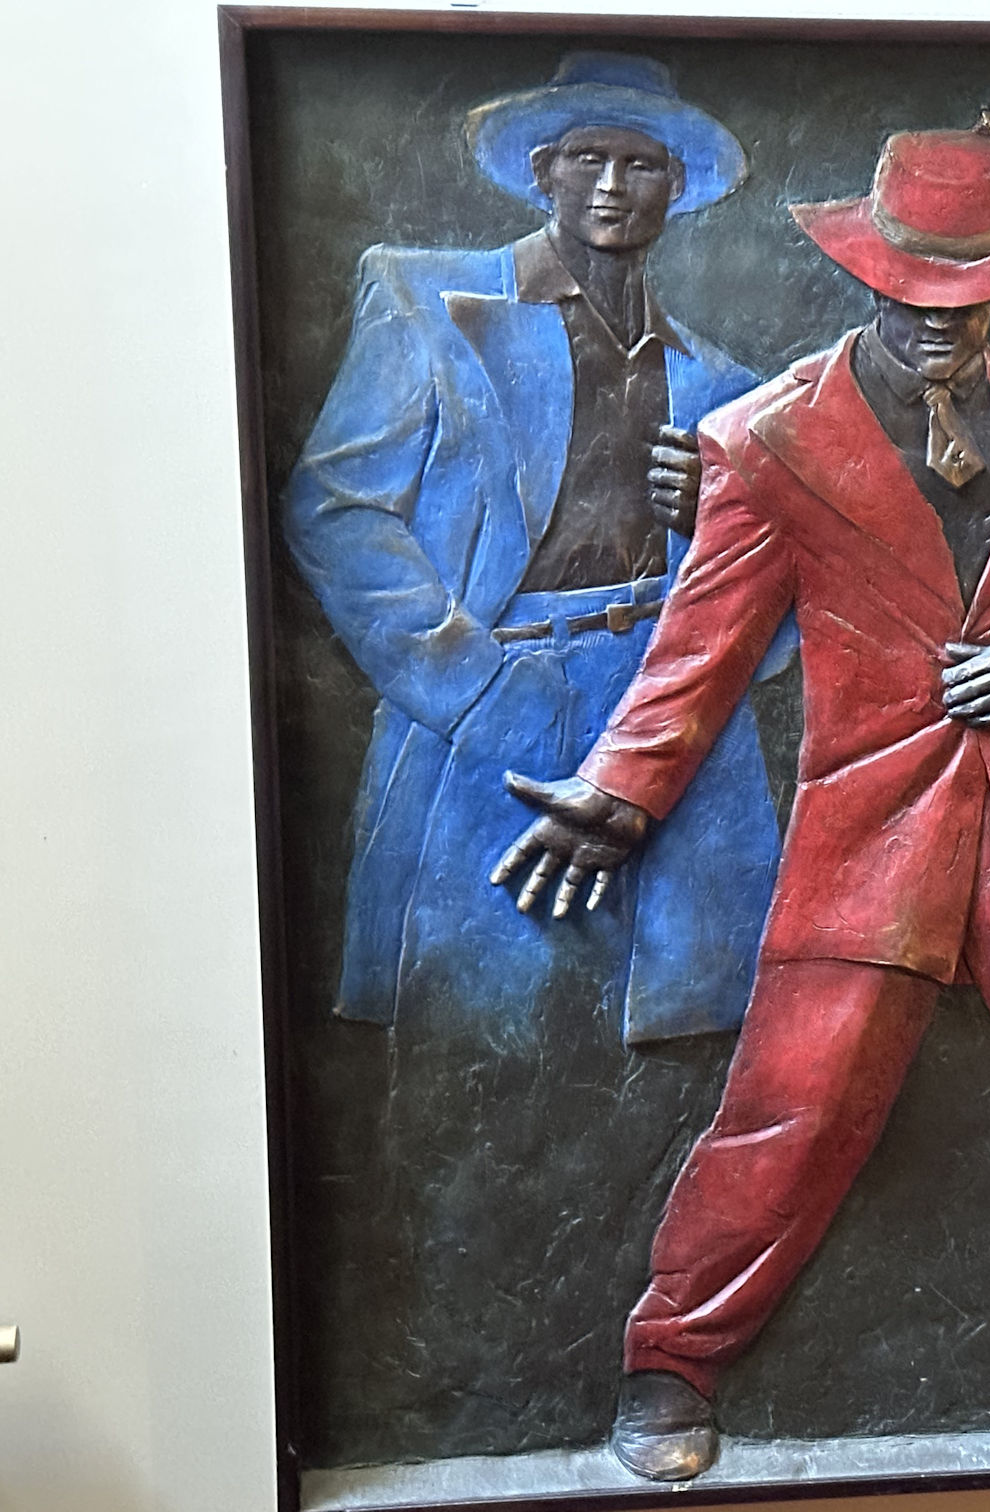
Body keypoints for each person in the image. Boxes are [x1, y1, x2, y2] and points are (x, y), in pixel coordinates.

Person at [495, 85, 990, 1481]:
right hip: (874, 834)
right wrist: (625, 790)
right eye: (911, 290)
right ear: (863, 272)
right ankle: (673, 1363)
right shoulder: (768, 443)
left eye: (968, 294)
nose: (938, 318)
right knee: (793, 1106)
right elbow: (702, 644)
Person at [286, 52, 790, 1050]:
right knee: (486, 1038)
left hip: (676, 726)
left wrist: (722, 519)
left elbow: (776, 604)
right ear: (542, 171)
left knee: (687, 1044)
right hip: (497, 702)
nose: (611, 185)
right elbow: (336, 509)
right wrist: (474, 687)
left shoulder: (725, 385)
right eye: (587, 157)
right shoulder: (429, 305)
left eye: (640, 164)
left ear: (676, 187)